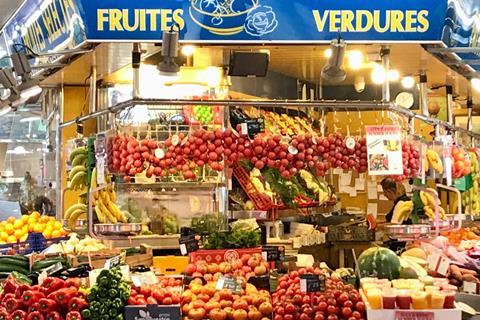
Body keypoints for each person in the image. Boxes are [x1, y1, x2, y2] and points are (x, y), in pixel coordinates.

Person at [380, 177, 411, 253]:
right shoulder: (405, 200)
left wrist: (378, 226)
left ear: (389, 191)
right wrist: (381, 222)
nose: (384, 195)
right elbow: (399, 220)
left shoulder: (401, 204)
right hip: (404, 242)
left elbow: (394, 226)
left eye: (385, 192)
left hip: (400, 245)